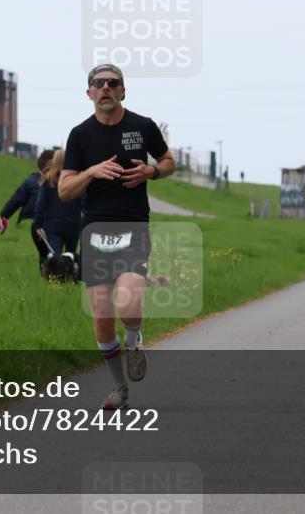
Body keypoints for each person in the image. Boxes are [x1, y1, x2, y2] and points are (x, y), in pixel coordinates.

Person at [59, 64, 175, 410]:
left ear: (123, 91)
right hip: (94, 230)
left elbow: (168, 161)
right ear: (89, 93)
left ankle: (134, 341)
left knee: (128, 301)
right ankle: (118, 388)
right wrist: (91, 172)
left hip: (133, 226)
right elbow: (65, 190)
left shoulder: (142, 127)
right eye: (98, 83)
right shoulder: (80, 135)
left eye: (113, 83)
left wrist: (151, 171)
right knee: (101, 316)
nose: (106, 88)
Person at [0, 149, 55, 273]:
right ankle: (55, 281)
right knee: (53, 253)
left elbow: (16, 200)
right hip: (51, 225)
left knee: (45, 254)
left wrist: (3, 216)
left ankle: (49, 280)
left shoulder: (31, 181)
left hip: (38, 227)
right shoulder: (62, 181)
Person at [34, 150, 82, 276]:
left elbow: (40, 205)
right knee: (70, 254)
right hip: (73, 224)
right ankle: (70, 278)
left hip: (53, 225)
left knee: (55, 256)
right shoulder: (76, 180)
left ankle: (54, 281)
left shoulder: (48, 180)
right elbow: (83, 202)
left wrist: (38, 225)